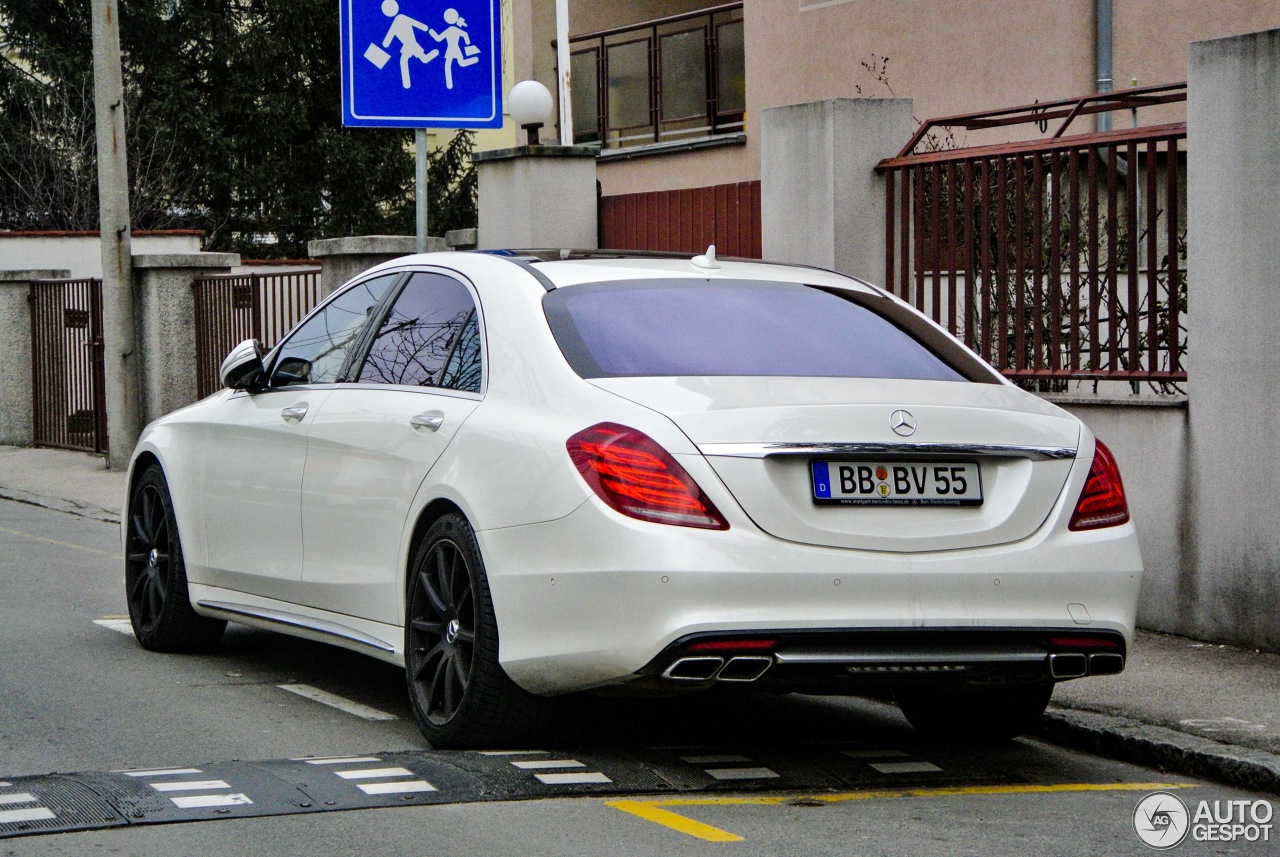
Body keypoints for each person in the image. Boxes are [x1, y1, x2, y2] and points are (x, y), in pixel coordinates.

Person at [380, 0, 439, 90]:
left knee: (410, 60)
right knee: (405, 60)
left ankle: (407, 84)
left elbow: (387, 41)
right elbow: (388, 39)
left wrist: (424, 27)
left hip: (411, 44)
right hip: (408, 45)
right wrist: (425, 28)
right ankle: (406, 84)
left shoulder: (400, 19)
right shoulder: (398, 20)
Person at [429, 8, 480, 90]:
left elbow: (438, 38)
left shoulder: (450, 29)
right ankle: (449, 85)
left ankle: (474, 60)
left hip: (453, 48)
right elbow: (465, 34)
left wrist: (432, 32)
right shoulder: (455, 29)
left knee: (449, 65)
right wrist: (467, 42)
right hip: (453, 48)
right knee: (457, 63)